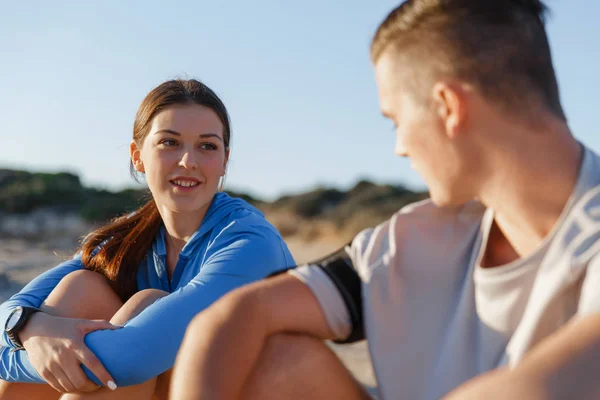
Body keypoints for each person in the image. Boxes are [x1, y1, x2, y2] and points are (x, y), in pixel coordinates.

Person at [169, 1, 600, 399]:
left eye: (395, 120)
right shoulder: (417, 238)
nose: (400, 148)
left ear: (449, 107)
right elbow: (233, 317)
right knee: (273, 361)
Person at [0, 79, 294, 400]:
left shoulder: (250, 243)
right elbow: (11, 311)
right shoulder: (127, 238)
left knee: (146, 306)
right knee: (80, 288)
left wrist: (38, 348)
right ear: (137, 156)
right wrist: (30, 329)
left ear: (224, 160)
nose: (188, 161)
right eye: (170, 142)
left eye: (207, 146)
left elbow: (130, 358)